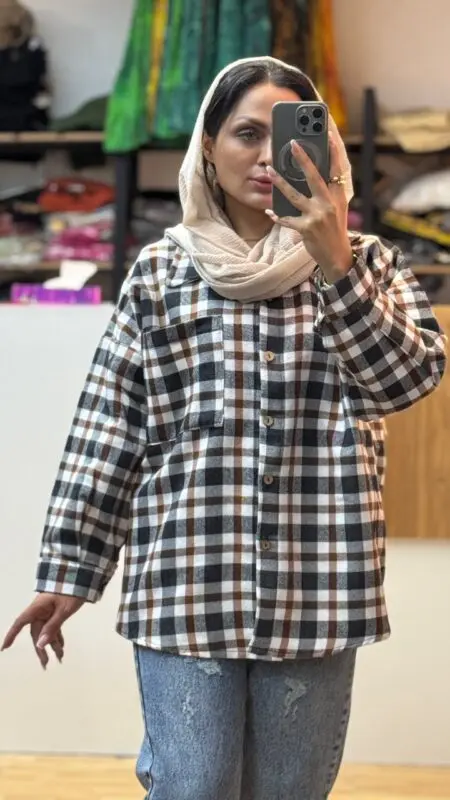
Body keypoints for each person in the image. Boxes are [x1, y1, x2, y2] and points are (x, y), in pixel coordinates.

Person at [2, 57, 446, 799]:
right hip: (185, 579)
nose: (270, 156)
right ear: (208, 146)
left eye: (290, 135)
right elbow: (110, 430)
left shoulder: (370, 264)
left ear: (325, 148)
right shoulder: (159, 274)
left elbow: (404, 383)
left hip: (318, 587)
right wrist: (69, 574)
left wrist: (335, 263)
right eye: (246, 134)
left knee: (288, 792)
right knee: (194, 785)